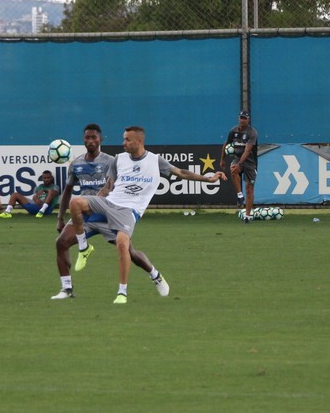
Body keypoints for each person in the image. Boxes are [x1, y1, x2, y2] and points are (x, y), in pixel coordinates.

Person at [69, 125, 227, 303]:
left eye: (127, 139)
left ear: (139, 141)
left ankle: (126, 290)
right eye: (123, 139)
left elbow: (182, 173)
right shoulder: (119, 159)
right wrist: (94, 204)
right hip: (109, 202)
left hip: (129, 210)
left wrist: (209, 178)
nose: (123, 143)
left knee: (124, 246)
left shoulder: (155, 160)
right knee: (75, 203)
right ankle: (83, 248)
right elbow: (108, 188)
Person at [51, 123, 170, 300]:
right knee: (61, 243)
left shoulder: (111, 160)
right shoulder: (76, 164)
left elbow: (112, 186)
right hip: (87, 214)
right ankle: (67, 288)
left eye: (94, 137)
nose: (90, 141)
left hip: (110, 211)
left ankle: (155, 275)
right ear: (83, 139)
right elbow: (68, 191)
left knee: (129, 252)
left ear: (101, 140)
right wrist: (60, 218)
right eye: (87, 137)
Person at [220, 110, 259, 222]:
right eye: (241, 118)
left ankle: (248, 215)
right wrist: (222, 159)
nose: (242, 120)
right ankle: (239, 195)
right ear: (238, 118)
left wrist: (240, 164)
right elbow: (226, 144)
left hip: (250, 162)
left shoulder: (252, 132)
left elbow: (247, 151)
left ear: (248, 119)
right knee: (233, 168)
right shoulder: (233, 130)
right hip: (237, 158)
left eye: (245, 118)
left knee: (249, 188)